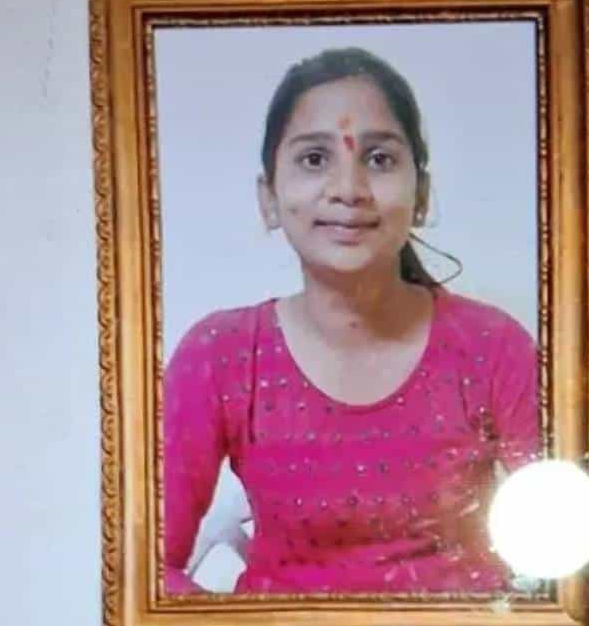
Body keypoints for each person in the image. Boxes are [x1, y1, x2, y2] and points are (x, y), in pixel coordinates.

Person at [161, 47, 543, 594]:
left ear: (422, 195)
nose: (348, 189)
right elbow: (143, 574)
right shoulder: (221, 356)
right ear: (269, 198)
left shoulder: (491, 347)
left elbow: (571, 554)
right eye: (314, 159)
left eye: (379, 159)